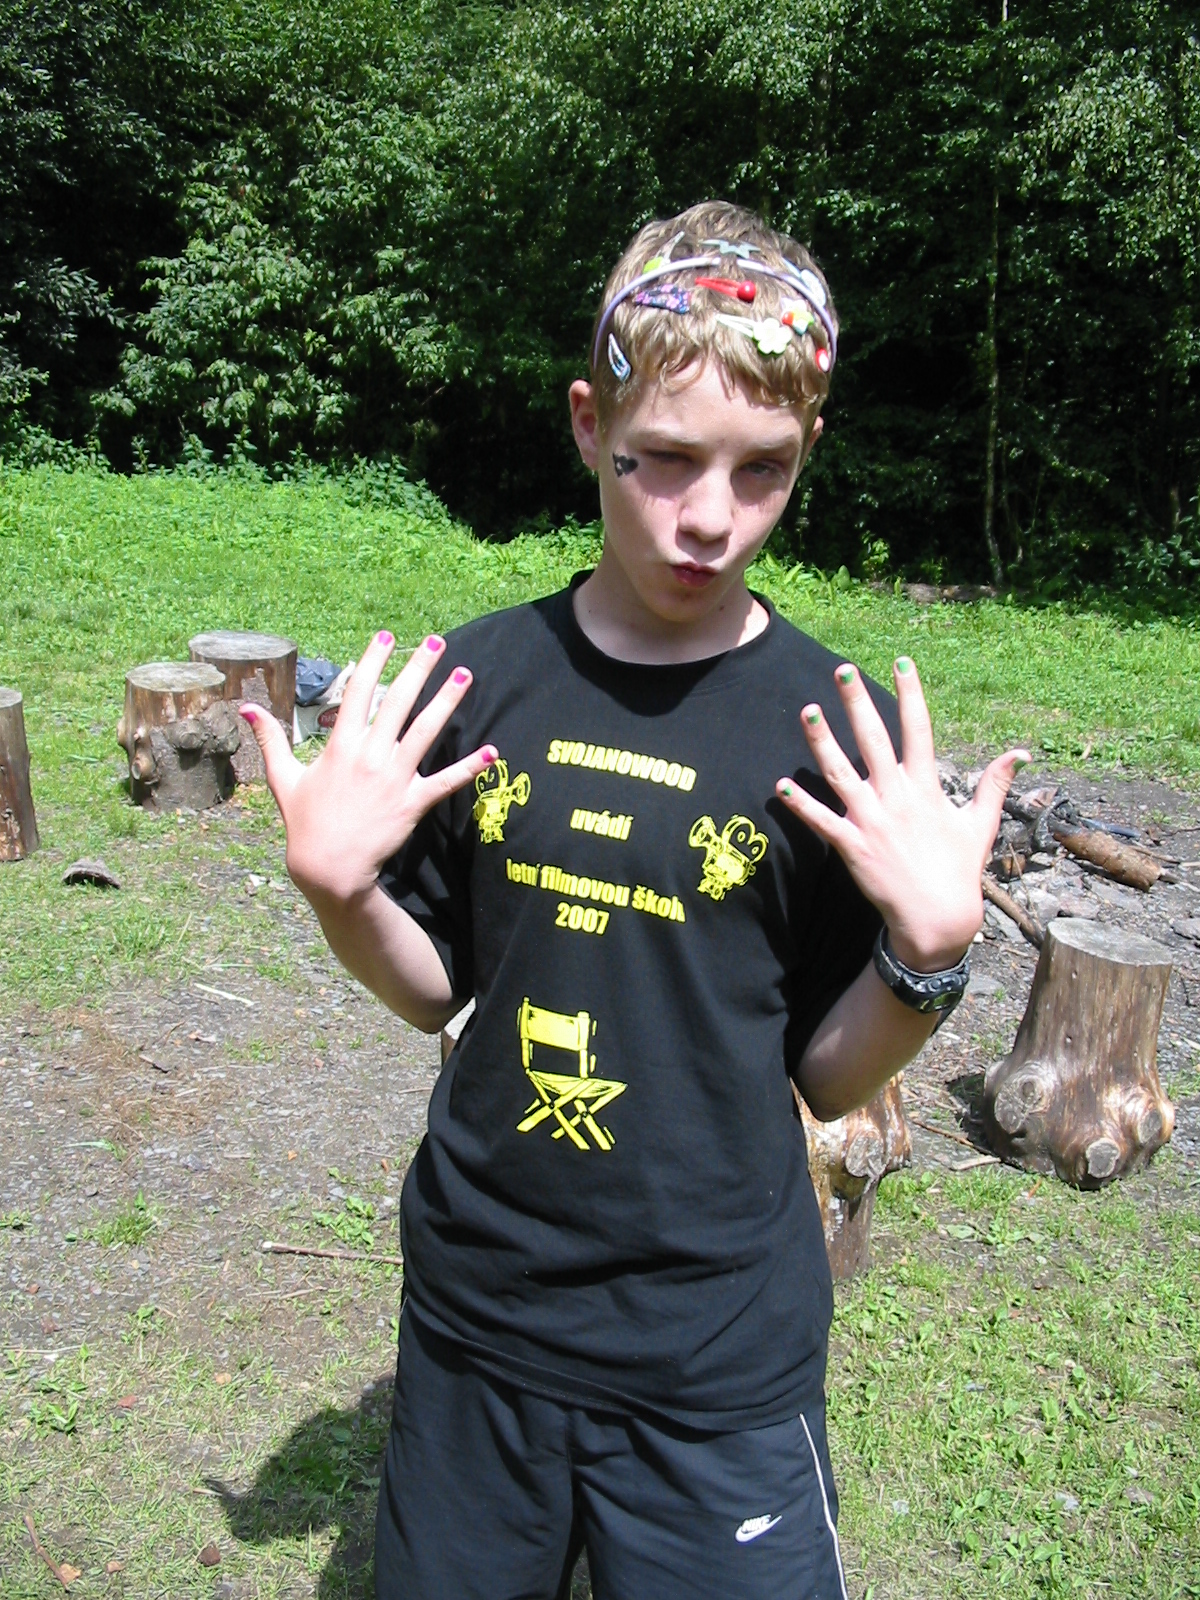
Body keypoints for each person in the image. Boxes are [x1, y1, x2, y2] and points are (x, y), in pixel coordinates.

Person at [240, 200, 1028, 1600]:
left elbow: (830, 1075)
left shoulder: (822, 731)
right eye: (663, 458)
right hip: (481, 1320)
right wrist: (340, 891)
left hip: (714, 1353)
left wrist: (928, 953)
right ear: (589, 422)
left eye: (762, 470)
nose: (710, 517)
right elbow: (436, 987)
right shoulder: (479, 684)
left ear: (808, 449)